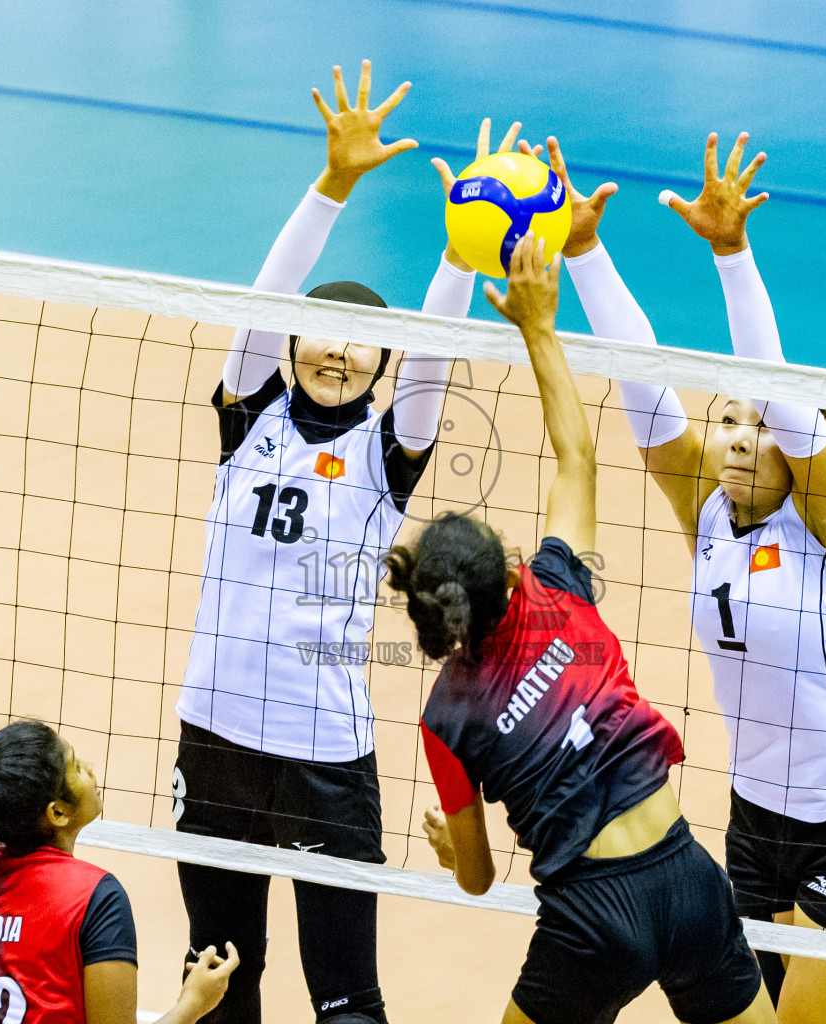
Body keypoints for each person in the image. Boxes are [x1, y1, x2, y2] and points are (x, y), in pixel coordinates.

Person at [171, 61, 516, 1024]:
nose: (336, 348)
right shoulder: (249, 418)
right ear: (292, 341)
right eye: (321, 332)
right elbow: (266, 295)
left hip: (324, 753)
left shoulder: (384, 452)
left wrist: (462, 249)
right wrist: (332, 185)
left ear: (381, 364)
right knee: (217, 980)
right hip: (217, 736)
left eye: (361, 342)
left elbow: (437, 354)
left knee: (346, 1000)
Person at [565, 131, 826, 1024]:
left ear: (798, 448)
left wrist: (732, 254)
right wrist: (585, 253)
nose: (734, 437)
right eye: (724, 420)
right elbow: (643, 387)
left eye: (758, 426)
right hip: (756, 824)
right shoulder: (709, 514)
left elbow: (779, 390)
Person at [387, 230, 774, 1024]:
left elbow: (479, 876)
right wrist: (537, 326)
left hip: (593, 920)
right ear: (502, 570)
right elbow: (577, 459)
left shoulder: (444, 717)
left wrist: (449, 847)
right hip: (688, 876)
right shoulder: (555, 586)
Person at [0, 719, 238, 1024]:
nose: (89, 768)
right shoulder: (96, 897)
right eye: (75, 766)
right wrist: (192, 1004)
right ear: (58, 812)